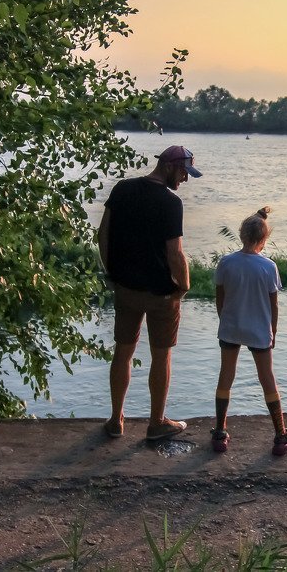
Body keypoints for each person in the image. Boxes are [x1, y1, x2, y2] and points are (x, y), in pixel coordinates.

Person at [97, 145, 202, 441]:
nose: (184, 179)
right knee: (161, 356)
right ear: (168, 166)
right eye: (183, 172)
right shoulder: (171, 202)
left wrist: (111, 272)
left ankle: (116, 420)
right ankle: (156, 423)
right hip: (161, 295)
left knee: (123, 351)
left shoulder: (123, 189)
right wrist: (184, 286)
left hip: (126, 289)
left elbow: (102, 233)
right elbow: (175, 253)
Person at [210, 207, 287, 456]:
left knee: (226, 376)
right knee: (267, 378)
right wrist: (274, 331)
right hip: (259, 330)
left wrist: (225, 322)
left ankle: (219, 432)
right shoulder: (268, 267)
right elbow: (273, 305)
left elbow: (220, 300)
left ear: (241, 235)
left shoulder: (226, 262)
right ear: (264, 239)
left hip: (230, 328)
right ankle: (280, 436)